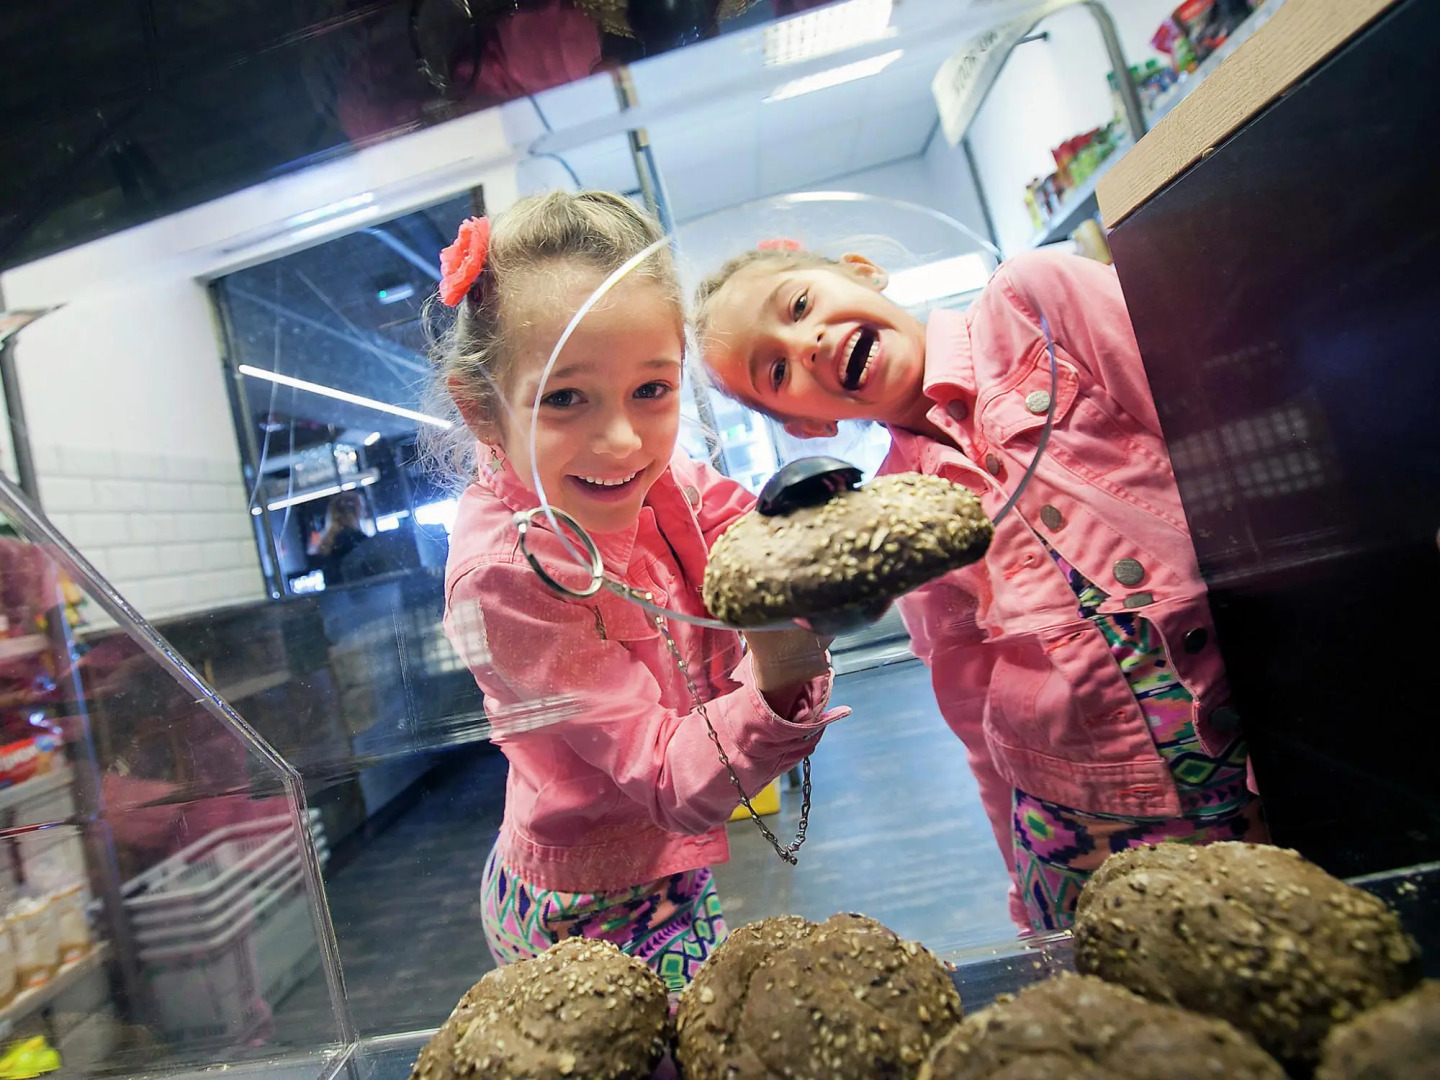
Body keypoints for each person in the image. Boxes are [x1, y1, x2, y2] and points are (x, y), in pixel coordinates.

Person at [693, 243, 1266, 933]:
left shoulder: (1034, 301)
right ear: (807, 426)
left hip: (1254, 740)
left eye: (800, 305)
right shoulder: (898, 518)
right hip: (1087, 820)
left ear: (861, 271)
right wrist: (1027, 912)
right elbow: (976, 720)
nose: (806, 344)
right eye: (777, 370)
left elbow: (1226, 431)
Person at [425, 192, 843, 994]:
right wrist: (785, 657)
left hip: (661, 863)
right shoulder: (506, 576)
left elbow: (738, 531)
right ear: (481, 407)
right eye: (565, 397)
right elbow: (661, 778)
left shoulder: (660, 474)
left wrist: (812, 539)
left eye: (652, 390)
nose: (620, 440)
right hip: (586, 904)